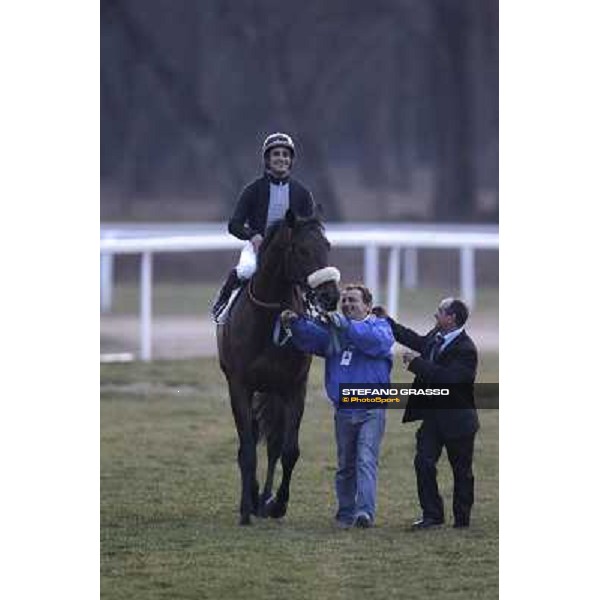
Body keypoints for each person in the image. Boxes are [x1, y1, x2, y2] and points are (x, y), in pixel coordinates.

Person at [280, 284, 394, 529]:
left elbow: (375, 343)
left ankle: (364, 513)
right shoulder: (335, 331)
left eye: (353, 300)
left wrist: (347, 326)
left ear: (367, 306)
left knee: (365, 460)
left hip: (371, 407)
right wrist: (294, 322)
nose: (347, 305)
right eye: (344, 301)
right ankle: (345, 513)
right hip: (343, 409)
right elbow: (311, 337)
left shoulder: (380, 327)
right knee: (345, 466)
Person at [374, 297, 479, 529]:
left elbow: (449, 380)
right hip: (432, 419)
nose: (435, 315)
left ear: (451, 318)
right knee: (423, 463)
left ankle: (462, 519)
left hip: (458, 421)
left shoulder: (466, 349)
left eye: (440, 311)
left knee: (461, 472)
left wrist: (417, 364)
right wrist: (387, 321)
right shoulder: (436, 336)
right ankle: (432, 515)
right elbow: (415, 340)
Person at [211, 132, 316, 320]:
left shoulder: (302, 193)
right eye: (276, 154)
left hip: (291, 252)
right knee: (246, 270)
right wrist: (252, 235)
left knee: (308, 276)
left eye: (285, 154)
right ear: (267, 159)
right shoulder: (252, 190)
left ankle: (315, 314)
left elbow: (310, 229)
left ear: (291, 160)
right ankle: (224, 306)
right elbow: (234, 225)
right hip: (257, 249)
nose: (281, 159)